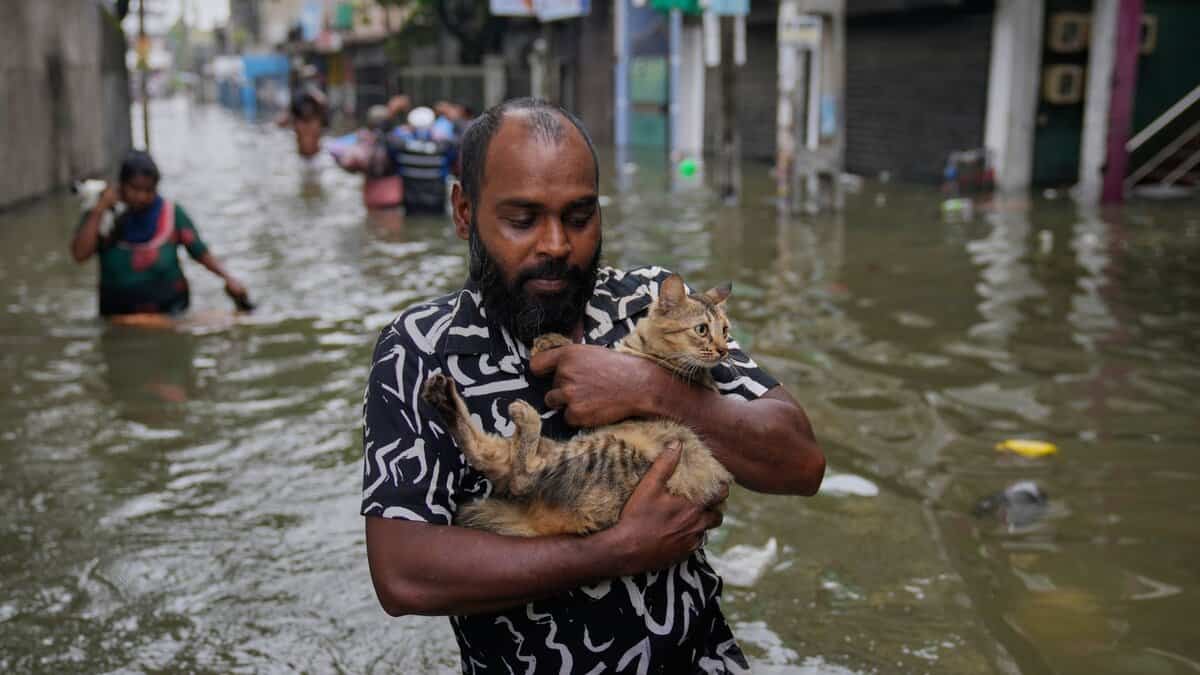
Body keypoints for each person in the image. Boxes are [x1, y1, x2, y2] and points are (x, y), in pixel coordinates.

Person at [362, 98, 825, 672]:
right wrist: (614, 551)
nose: (557, 245)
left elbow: (802, 464)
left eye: (580, 217)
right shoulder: (419, 349)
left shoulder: (651, 304)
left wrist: (651, 388)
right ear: (463, 212)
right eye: (523, 220)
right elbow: (402, 574)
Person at [71, 151, 250, 317]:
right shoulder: (103, 215)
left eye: (148, 190)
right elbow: (80, 255)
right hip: (117, 315)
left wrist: (228, 278)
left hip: (172, 310)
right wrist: (99, 209)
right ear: (122, 185)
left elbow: (199, 252)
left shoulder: (171, 214)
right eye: (135, 189)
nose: (141, 197)